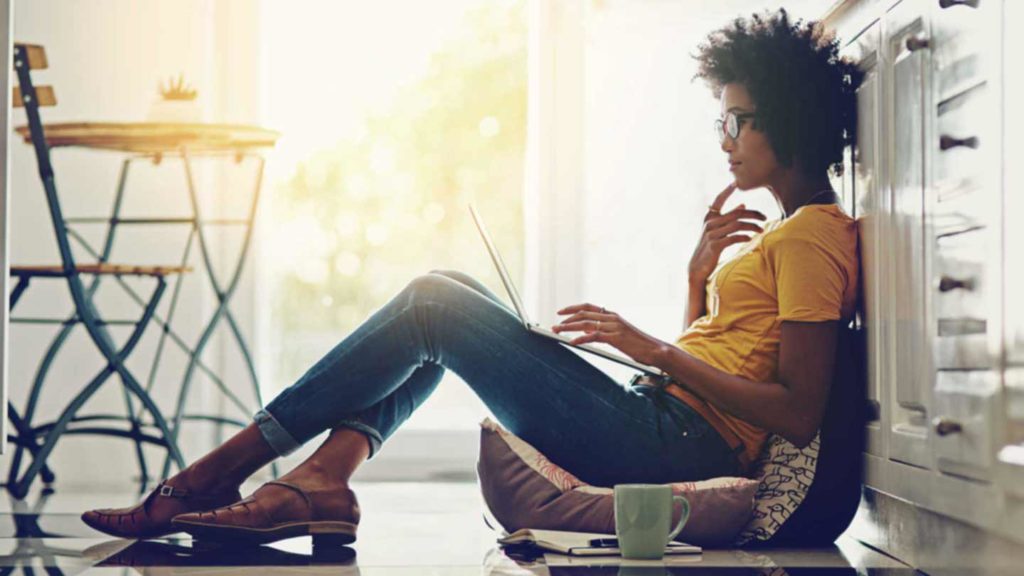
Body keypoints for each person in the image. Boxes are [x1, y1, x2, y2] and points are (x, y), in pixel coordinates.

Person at [82, 7, 863, 547]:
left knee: (433, 304)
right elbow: (735, 356)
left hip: (670, 445)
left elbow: (795, 412)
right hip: (659, 422)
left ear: (786, 119)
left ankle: (227, 468)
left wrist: (652, 346)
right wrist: (697, 282)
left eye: (736, 120)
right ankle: (322, 474)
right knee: (443, 293)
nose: (724, 138)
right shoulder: (794, 234)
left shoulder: (812, 239)